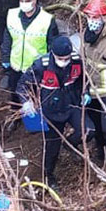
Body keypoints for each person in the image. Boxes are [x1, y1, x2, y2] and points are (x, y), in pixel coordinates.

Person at [17, 36, 89, 184]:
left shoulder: (76, 61)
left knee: (88, 130)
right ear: (53, 54)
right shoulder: (40, 66)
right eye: (60, 58)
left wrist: (85, 92)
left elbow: (84, 79)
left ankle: (71, 144)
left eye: (66, 58)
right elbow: (22, 85)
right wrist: (26, 102)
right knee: (52, 147)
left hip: (72, 104)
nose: (64, 61)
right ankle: (48, 176)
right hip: (51, 110)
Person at [80, 0, 106, 162]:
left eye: (95, 17)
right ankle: (101, 154)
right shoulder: (86, 35)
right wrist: (85, 90)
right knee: (97, 128)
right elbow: (85, 64)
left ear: (104, 18)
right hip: (92, 92)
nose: (91, 21)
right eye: (89, 17)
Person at [0, 0, 59, 97]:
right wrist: (5, 58)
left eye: (27, 1)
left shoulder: (46, 19)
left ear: (35, 0)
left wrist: (49, 66)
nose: (24, 4)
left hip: (36, 67)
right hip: (15, 66)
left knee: (33, 97)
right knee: (15, 95)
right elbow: (7, 39)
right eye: (21, 1)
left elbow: (52, 44)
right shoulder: (12, 15)